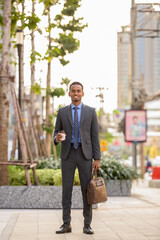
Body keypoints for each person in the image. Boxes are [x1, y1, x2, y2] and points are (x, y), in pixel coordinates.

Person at [53, 81, 101, 235]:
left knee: (86, 191)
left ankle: (87, 224)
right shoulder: (62, 112)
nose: (75, 93)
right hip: (67, 155)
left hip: (85, 155)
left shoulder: (91, 112)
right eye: (73, 91)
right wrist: (57, 138)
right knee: (66, 191)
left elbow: (95, 136)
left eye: (78, 91)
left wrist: (97, 158)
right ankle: (66, 224)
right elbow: (56, 132)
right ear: (69, 93)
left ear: (83, 93)